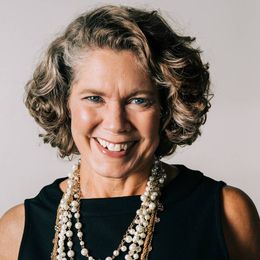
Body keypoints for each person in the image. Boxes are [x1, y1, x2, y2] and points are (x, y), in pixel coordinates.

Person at [0, 4, 259, 260]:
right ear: (64, 103)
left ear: (167, 107)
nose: (115, 123)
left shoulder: (226, 214)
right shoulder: (17, 230)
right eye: (94, 98)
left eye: (138, 100)